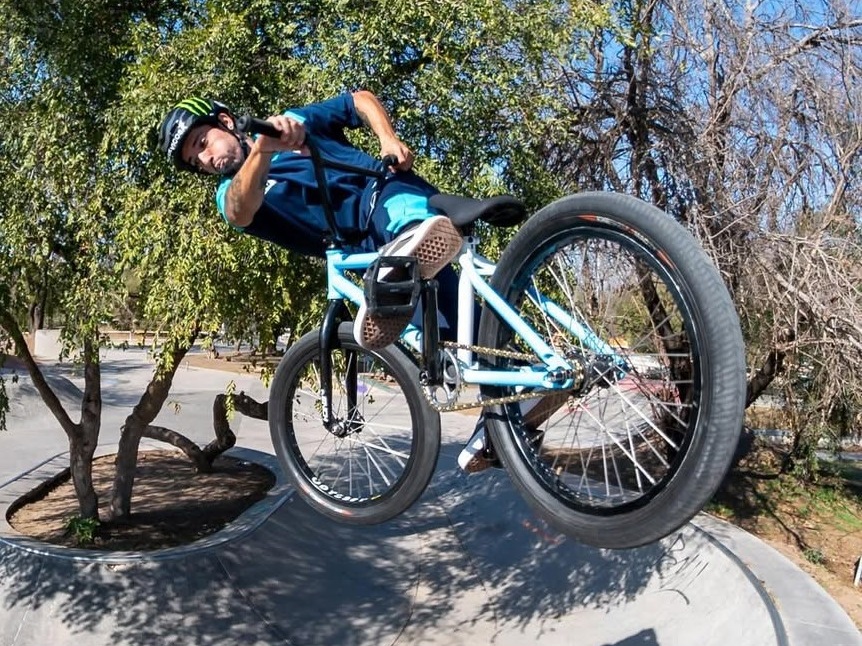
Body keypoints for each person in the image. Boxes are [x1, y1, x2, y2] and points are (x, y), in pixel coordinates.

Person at [157, 90, 463, 351]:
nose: (205, 160)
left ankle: (406, 251)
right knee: (463, 343)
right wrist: (263, 151)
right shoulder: (231, 192)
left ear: (225, 122)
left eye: (202, 143)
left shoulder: (293, 123)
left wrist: (388, 139)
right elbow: (239, 210)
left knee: (400, 212)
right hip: (364, 256)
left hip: (383, 194)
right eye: (196, 162)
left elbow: (358, 100)